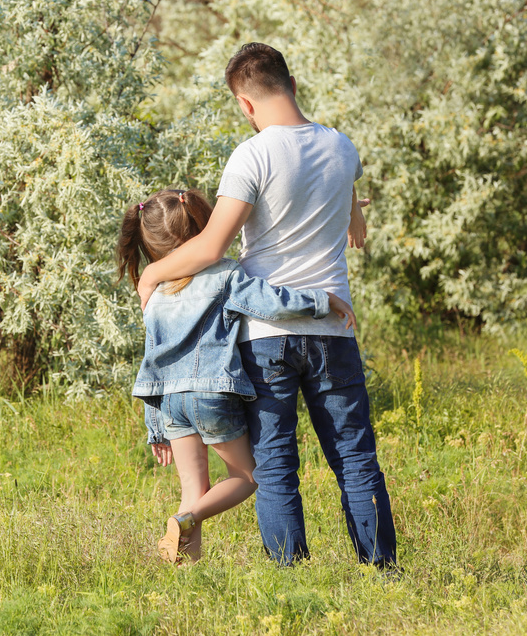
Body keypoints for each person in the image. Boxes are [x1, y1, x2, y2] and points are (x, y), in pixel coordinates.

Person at [136, 43, 398, 567]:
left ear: (244, 104)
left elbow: (212, 248)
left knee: (275, 465)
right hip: (332, 325)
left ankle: (290, 572)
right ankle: (383, 569)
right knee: (355, 458)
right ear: (293, 84)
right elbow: (356, 229)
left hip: (265, 334)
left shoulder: (251, 156)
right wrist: (348, 211)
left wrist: (153, 271)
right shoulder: (342, 148)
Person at [117, 188, 356, 564]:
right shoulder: (224, 274)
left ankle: (185, 573)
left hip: (170, 401)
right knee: (249, 477)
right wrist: (322, 300)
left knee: (193, 488)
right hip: (211, 395)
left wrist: (155, 424)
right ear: (205, 226)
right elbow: (271, 302)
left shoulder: (154, 291)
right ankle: (185, 519)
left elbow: (154, 360)